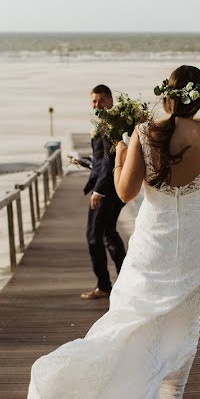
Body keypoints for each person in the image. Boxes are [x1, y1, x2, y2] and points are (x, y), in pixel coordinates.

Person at [11, 66, 200, 399]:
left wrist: (124, 149)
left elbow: (124, 193)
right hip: (198, 244)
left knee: (140, 329)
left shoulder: (146, 133)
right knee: (184, 321)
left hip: (154, 246)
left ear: (167, 95)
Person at [81, 84, 127, 300]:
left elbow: (111, 160)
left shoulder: (112, 125)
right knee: (108, 232)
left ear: (110, 100)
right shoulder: (104, 123)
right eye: (93, 101)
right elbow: (101, 159)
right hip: (107, 185)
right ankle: (124, 282)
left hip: (108, 189)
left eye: (100, 100)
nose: (97, 105)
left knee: (94, 236)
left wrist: (99, 191)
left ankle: (105, 286)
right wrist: (87, 163)